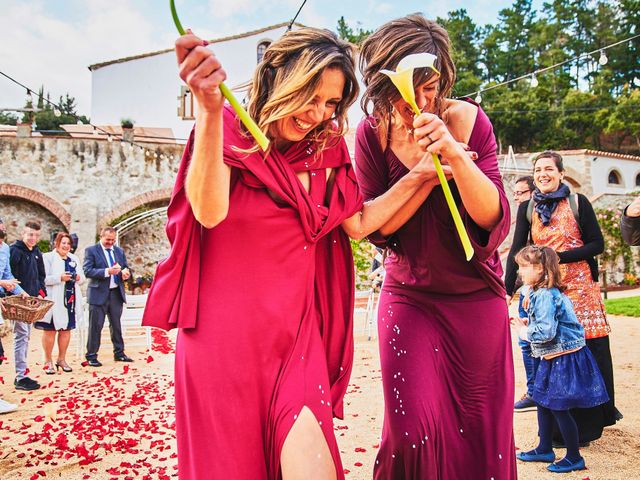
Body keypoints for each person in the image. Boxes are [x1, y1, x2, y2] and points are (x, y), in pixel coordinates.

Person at [143, 27, 442, 480]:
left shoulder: (326, 145)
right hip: (222, 344)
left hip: (297, 342)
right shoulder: (224, 127)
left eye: (331, 104)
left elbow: (357, 223)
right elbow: (207, 211)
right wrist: (207, 110)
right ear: (280, 77)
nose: (318, 113)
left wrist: (421, 175)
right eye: (312, 95)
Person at [355, 14, 516, 479]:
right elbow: (373, 224)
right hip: (410, 299)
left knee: (481, 433)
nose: (421, 102)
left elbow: (491, 218)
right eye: (410, 90)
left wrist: (452, 155)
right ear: (383, 85)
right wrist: (424, 174)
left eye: (432, 88)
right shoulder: (371, 135)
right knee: (412, 434)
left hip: (476, 300)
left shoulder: (467, 119)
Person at [505, 150, 618, 444]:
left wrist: (558, 256)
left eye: (549, 169)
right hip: (548, 291)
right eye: (539, 169)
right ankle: (556, 430)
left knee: (587, 355)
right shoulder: (528, 208)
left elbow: (597, 244)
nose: (543, 173)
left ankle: (590, 426)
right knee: (552, 354)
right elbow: (518, 249)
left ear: (561, 173)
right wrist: (508, 288)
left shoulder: (578, 203)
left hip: (582, 291)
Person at [514, 246, 608, 473]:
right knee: (543, 401)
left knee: (558, 407)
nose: (519, 272)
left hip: (564, 357)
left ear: (540, 269)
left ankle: (574, 457)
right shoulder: (539, 292)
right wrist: (530, 324)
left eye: (524, 267)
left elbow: (546, 332)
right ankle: (544, 448)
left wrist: (524, 332)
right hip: (552, 355)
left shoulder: (546, 295)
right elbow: (547, 326)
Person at [83, 226, 132, 367]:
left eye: (113, 240)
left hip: (116, 294)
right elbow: (87, 271)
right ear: (101, 237)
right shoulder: (91, 251)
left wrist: (125, 273)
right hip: (98, 294)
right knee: (95, 327)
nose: (111, 242)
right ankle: (91, 356)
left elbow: (126, 268)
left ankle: (119, 353)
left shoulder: (119, 251)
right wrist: (107, 271)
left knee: (116, 325)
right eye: (108, 239)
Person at [36, 232, 84, 373]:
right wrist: (59, 278)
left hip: (69, 300)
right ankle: (48, 360)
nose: (66, 246)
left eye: (69, 244)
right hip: (52, 300)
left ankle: (61, 359)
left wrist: (77, 277)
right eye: (63, 243)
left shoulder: (73, 258)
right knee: (50, 331)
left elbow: (82, 279)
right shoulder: (48, 258)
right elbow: (42, 279)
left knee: (66, 330)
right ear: (57, 243)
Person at [511, 175, 539, 411]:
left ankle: (537, 392)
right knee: (526, 341)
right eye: (516, 193)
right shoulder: (525, 215)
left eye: (521, 193)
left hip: (541, 290)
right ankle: (534, 390)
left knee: (534, 341)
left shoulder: (539, 215)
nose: (517, 197)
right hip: (527, 288)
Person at [10, 220, 47, 391]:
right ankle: (20, 376)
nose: (33, 238)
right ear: (23, 234)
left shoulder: (37, 252)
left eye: (36, 235)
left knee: (26, 336)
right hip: (18, 300)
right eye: (30, 234)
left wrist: (41, 292)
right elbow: (10, 275)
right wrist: (17, 295)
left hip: (32, 300)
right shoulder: (15, 251)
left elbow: (41, 275)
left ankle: (22, 373)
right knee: (21, 335)